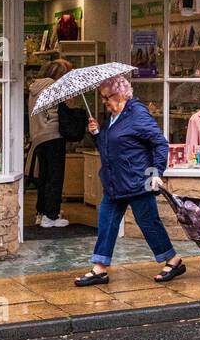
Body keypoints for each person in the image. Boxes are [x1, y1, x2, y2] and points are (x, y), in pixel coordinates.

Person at [75, 75, 185, 286]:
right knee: (106, 223)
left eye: (106, 98)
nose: (104, 102)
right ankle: (100, 269)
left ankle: (173, 260)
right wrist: (97, 134)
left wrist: (156, 173)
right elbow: (109, 148)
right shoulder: (114, 117)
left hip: (137, 180)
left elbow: (160, 144)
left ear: (119, 94)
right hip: (114, 182)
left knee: (148, 223)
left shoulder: (137, 114)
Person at [27, 58, 76, 229]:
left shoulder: (35, 87)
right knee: (55, 177)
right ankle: (51, 215)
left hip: (38, 136)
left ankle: (41, 212)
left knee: (44, 176)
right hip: (53, 135)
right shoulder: (55, 87)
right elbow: (67, 109)